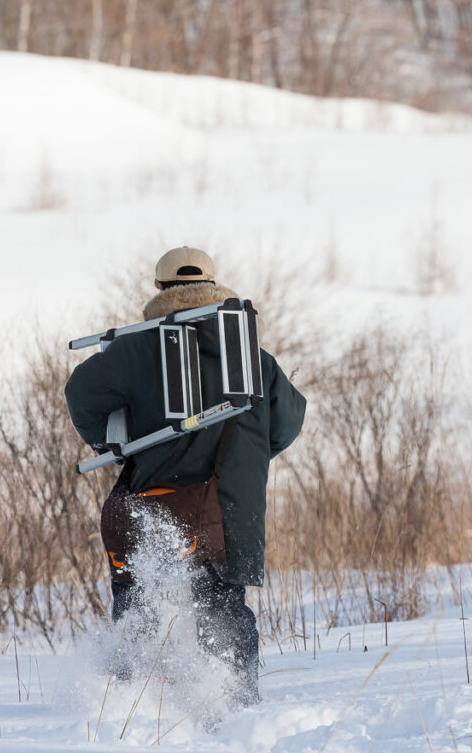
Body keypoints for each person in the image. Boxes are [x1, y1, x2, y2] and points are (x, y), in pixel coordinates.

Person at [64, 246, 306, 705]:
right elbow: (289, 424)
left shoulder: (138, 348)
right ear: (214, 288)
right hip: (232, 510)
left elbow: (81, 393)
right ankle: (236, 706)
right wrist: (244, 460)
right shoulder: (257, 360)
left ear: (159, 289)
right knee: (224, 608)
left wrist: (110, 446)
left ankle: (135, 709)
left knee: (142, 606)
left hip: (155, 504)